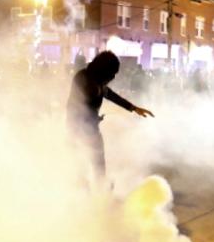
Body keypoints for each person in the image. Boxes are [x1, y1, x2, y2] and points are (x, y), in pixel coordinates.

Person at [66, 51, 154, 182]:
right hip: (78, 128)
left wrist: (133, 108)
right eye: (112, 73)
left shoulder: (96, 80)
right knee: (83, 160)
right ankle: (84, 189)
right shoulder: (85, 79)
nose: (113, 77)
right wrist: (91, 120)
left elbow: (109, 94)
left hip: (90, 127)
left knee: (97, 161)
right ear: (103, 70)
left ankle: (99, 188)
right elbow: (77, 108)